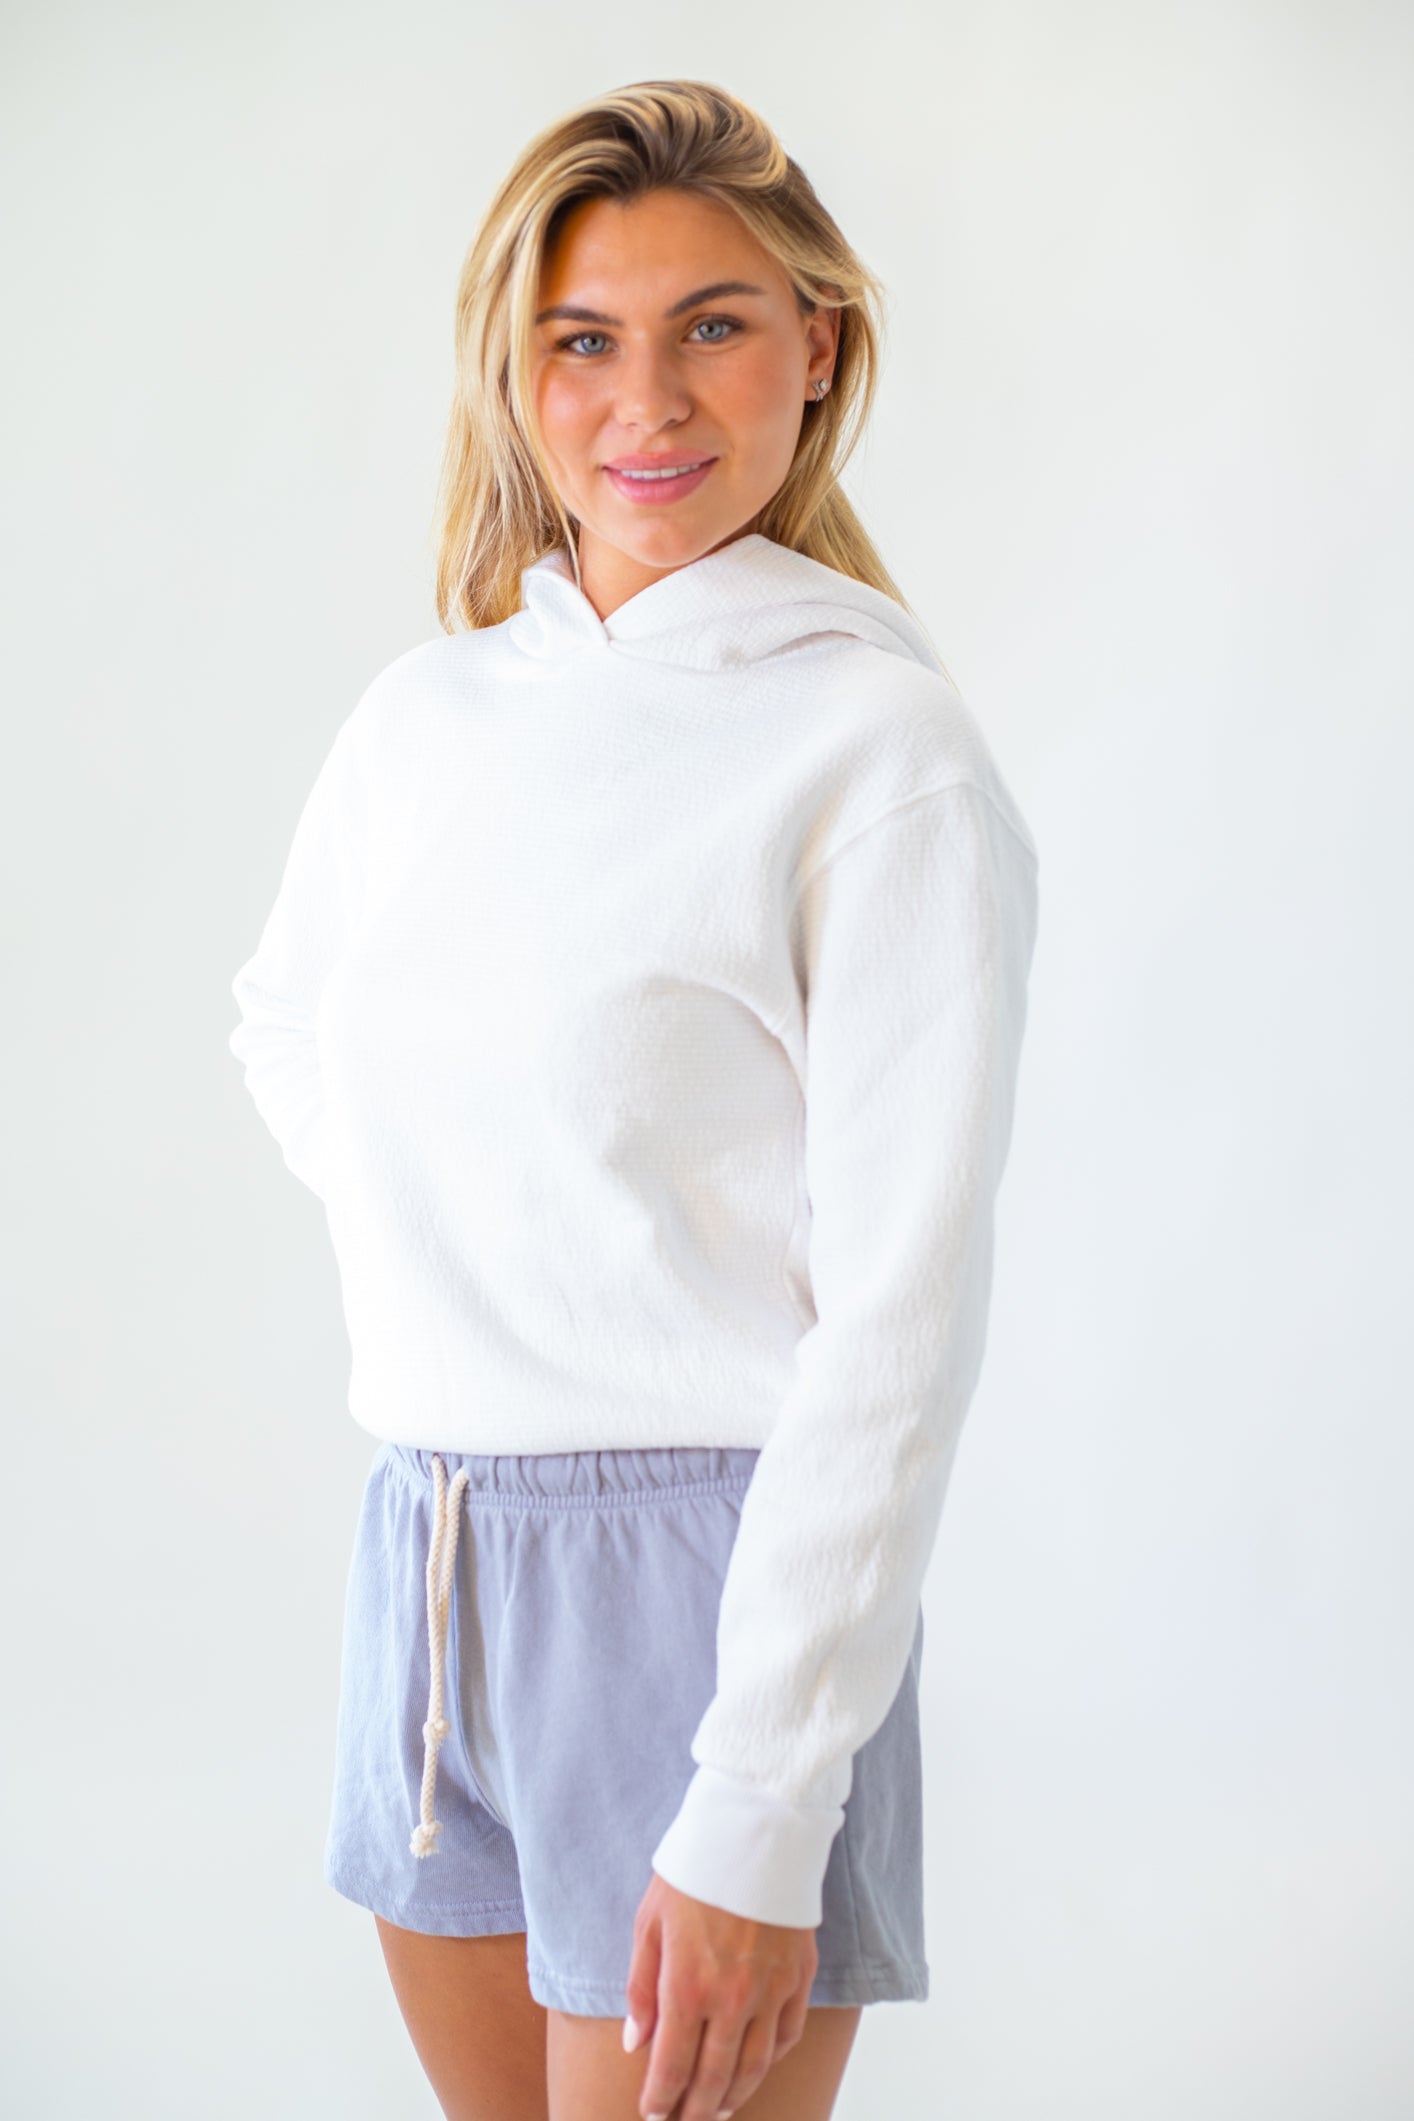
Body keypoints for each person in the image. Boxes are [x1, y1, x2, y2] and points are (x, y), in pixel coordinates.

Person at [227, 76, 1040, 2121]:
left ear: (816, 348)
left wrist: (762, 1792)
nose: (645, 399)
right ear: (513, 374)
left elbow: (900, 1322)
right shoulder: (426, 718)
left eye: (713, 325)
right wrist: (495, 1236)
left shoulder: (876, 750)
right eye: (581, 338)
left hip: (706, 1581)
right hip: (432, 1555)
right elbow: (287, 1020)